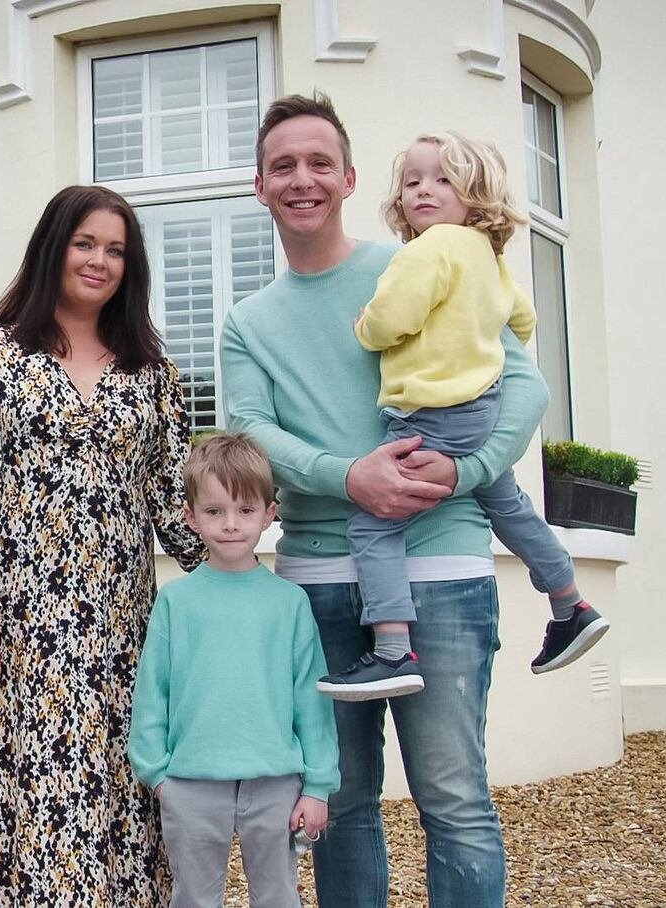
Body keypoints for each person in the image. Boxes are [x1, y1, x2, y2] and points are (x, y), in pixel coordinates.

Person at [220, 92, 550, 908]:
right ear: (259, 186)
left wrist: (467, 473)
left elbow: (523, 385)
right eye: (283, 166)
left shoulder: (421, 264)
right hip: (318, 581)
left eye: (319, 163)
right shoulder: (247, 322)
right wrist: (349, 475)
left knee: (454, 800)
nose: (302, 179)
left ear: (350, 178)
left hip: (440, 568)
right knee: (340, 805)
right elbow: (252, 431)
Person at [0, 184, 204, 907]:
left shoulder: (151, 371)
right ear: (54, 247)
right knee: (24, 785)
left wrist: (240, 556)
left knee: (116, 783)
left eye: (115, 250)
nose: (99, 261)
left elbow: (174, 494)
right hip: (17, 622)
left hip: (119, 624)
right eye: (85, 243)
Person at [318, 132, 609, 701]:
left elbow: (390, 319)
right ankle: (570, 602)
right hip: (479, 410)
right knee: (508, 504)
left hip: (428, 415)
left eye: (443, 179)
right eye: (413, 181)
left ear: (475, 193)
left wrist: (366, 327)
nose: (424, 190)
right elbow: (521, 323)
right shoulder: (487, 257)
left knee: (373, 526)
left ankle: (392, 650)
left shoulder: (426, 251)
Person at [128, 433, 340, 908]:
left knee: (278, 897)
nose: (229, 524)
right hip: (191, 782)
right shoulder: (176, 601)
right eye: (214, 510)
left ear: (269, 514)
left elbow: (310, 698)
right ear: (190, 516)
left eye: (245, 510)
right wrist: (158, 774)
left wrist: (318, 786)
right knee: (195, 899)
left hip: (276, 782)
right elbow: (152, 692)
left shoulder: (289, 603)